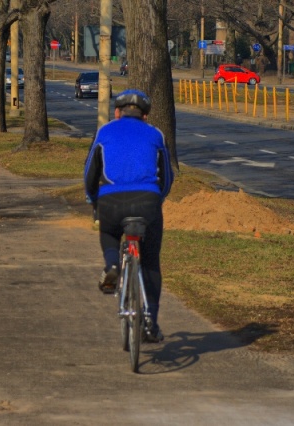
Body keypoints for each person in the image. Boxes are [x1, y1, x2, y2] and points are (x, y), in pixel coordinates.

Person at [84, 89, 173, 342]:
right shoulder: (156, 134)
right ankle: (150, 322)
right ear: (145, 116)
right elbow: (166, 176)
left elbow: (90, 172)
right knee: (151, 262)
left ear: (117, 112)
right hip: (147, 201)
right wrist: (159, 197)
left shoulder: (105, 132)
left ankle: (112, 265)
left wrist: (92, 200)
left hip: (111, 200)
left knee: (109, 232)